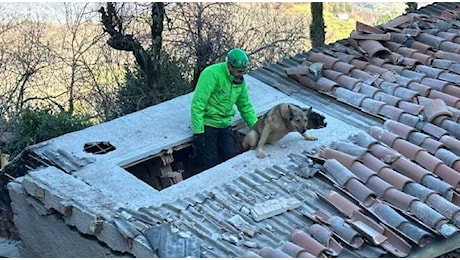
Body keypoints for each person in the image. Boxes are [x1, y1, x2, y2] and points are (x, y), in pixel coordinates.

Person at [191, 48, 258, 170]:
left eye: (243, 71)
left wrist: (257, 128)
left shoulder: (239, 81)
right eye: (238, 71)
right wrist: (198, 131)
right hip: (208, 123)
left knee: (231, 157)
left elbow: (245, 106)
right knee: (210, 161)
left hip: (225, 123)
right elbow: (198, 103)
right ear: (229, 66)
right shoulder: (212, 74)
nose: (241, 74)